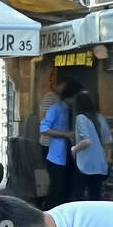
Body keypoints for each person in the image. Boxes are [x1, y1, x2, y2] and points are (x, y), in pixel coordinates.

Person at [39, 80, 80, 209]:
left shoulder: (71, 110)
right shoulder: (56, 108)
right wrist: (66, 134)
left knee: (67, 188)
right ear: (72, 96)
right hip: (56, 155)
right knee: (56, 189)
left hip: (69, 154)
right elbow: (43, 128)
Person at [69, 90, 111, 201]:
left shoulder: (80, 118)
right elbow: (108, 140)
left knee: (77, 195)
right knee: (95, 196)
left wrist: (74, 148)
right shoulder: (99, 117)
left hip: (85, 163)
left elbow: (86, 141)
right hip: (99, 163)